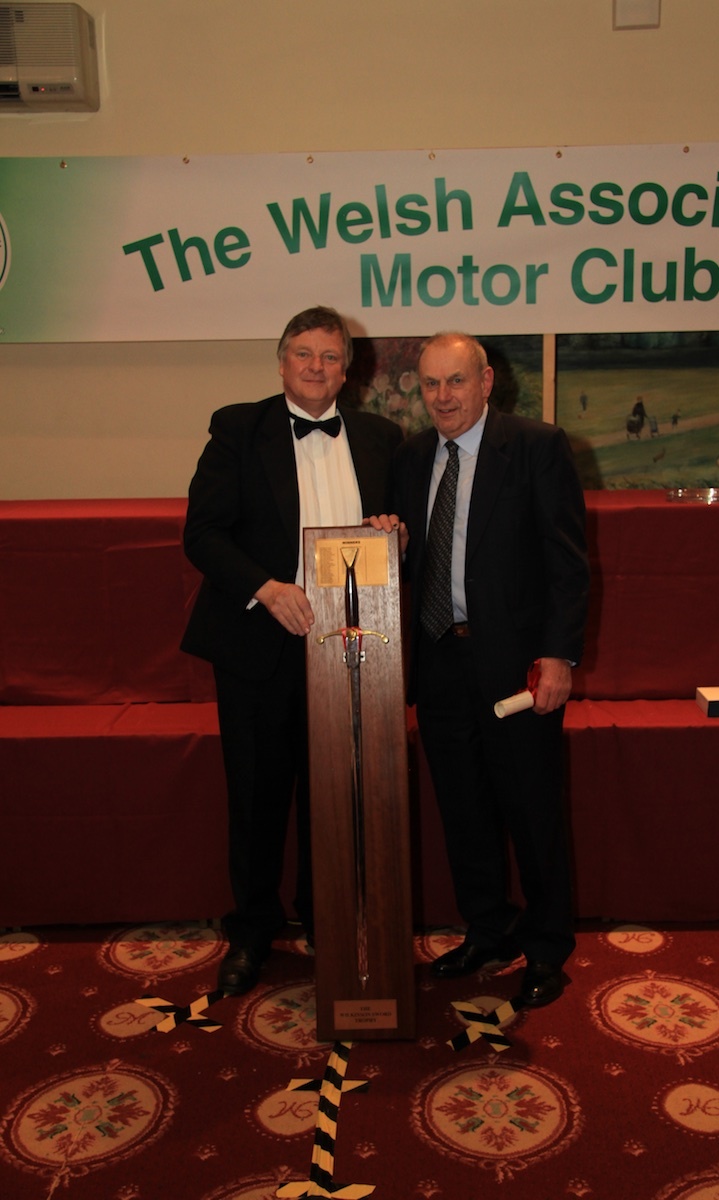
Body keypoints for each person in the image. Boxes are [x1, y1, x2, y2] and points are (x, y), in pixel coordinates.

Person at [181, 306, 403, 995]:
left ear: (348, 370)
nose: (316, 367)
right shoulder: (238, 428)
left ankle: (326, 920)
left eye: (330, 356)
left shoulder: (382, 437)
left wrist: (396, 533)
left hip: (351, 650)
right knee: (256, 797)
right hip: (260, 642)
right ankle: (250, 932)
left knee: (336, 795)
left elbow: (398, 534)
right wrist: (265, 588)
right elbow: (202, 533)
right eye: (303, 354)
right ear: (281, 362)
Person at [369, 332, 589, 1007]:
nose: (443, 397)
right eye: (431, 384)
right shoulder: (410, 457)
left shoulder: (536, 447)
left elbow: (567, 564)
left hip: (515, 667)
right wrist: (392, 545)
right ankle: (487, 929)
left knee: (532, 810)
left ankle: (546, 947)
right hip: (438, 658)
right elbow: (412, 562)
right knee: (463, 809)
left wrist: (558, 657)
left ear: (486, 381)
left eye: (456, 381)